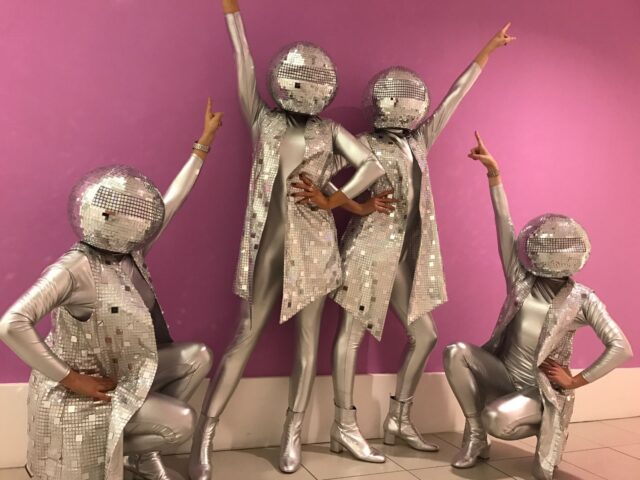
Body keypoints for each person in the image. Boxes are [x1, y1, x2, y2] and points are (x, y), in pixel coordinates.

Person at [188, 1, 385, 477]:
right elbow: (244, 64)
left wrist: (332, 199)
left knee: (307, 342)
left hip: (316, 248)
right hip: (265, 248)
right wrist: (233, 16)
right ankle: (204, 438)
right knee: (244, 336)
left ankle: (291, 435)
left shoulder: (330, 130)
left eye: (317, 79)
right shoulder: (263, 119)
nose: (307, 86)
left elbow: (373, 167)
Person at [0, 98, 222, 480]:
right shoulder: (74, 268)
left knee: (198, 356)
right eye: (114, 214)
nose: (130, 222)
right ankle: (118, 448)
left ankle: (137, 452)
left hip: (123, 374)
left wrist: (202, 146)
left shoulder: (130, 251)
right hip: (83, 394)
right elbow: (11, 324)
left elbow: (171, 203)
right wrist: (72, 378)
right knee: (182, 422)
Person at [326, 25, 516, 462]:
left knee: (425, 334)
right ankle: (345, 423)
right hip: (367, 248)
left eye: (409, 99)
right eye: (395, 98)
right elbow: (320, 177)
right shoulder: (361, 143)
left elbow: (454, 97)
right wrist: (353, 206)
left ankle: (398, 417)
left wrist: (486, 49)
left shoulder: (418, 142)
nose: (403, 106)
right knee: (350, 335)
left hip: (404, 255)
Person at [442, 132, 633, 480]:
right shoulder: (521, 280)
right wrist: (494, 175)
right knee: (455, 352)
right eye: (548, 245)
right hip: (503, 374)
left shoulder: (583, 299)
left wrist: (576, 381)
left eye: (561, 247)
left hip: (540, 390)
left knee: (500, 423)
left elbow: (621, 347)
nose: (552, 253)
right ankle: (475, 437)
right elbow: (504, 227)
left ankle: (541, 426)